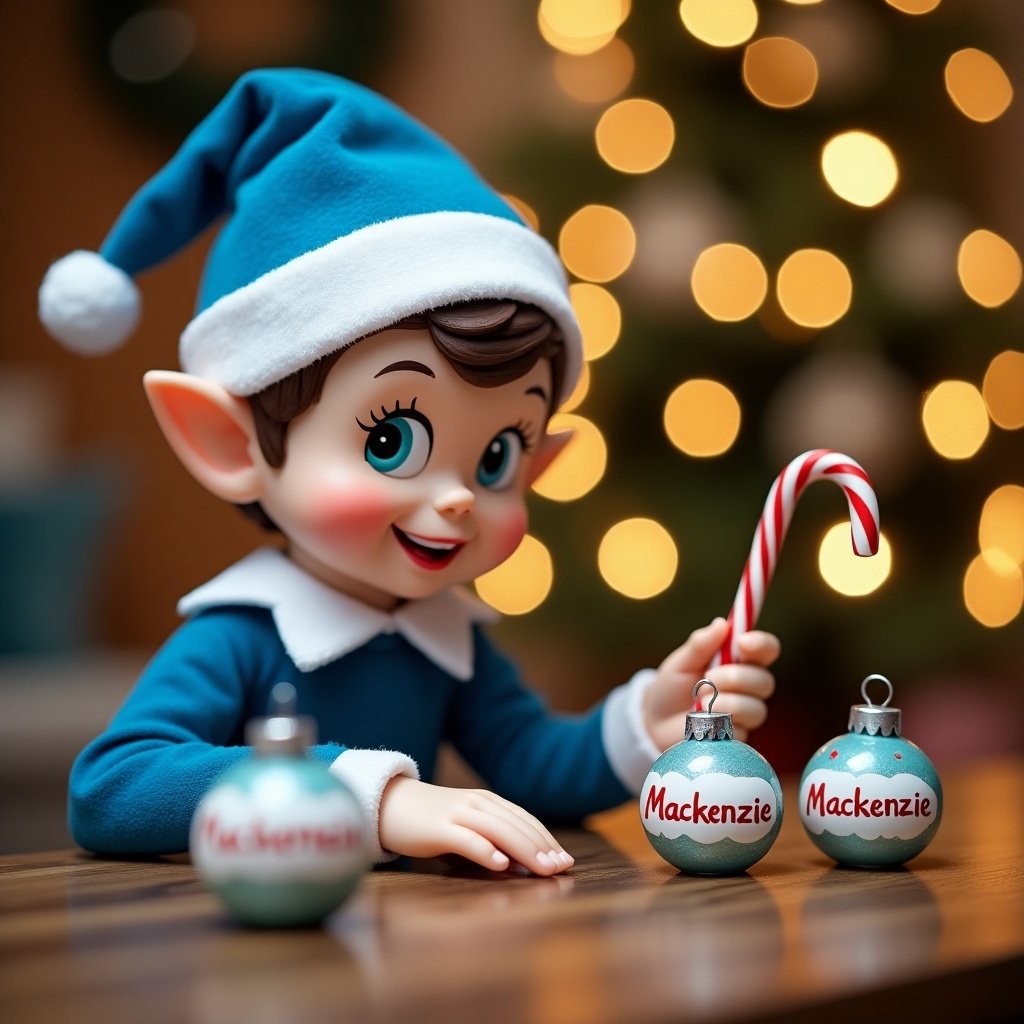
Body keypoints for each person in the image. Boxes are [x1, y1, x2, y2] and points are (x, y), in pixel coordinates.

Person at [40, 69, 778, 876]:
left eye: (497, 457)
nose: (461, 496)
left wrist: (642, 726)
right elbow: (112, 787)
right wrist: (372, 797)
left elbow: (531, 763)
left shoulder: (443, 635)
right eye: (391, 439)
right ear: (229, 442)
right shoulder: (243, 638)